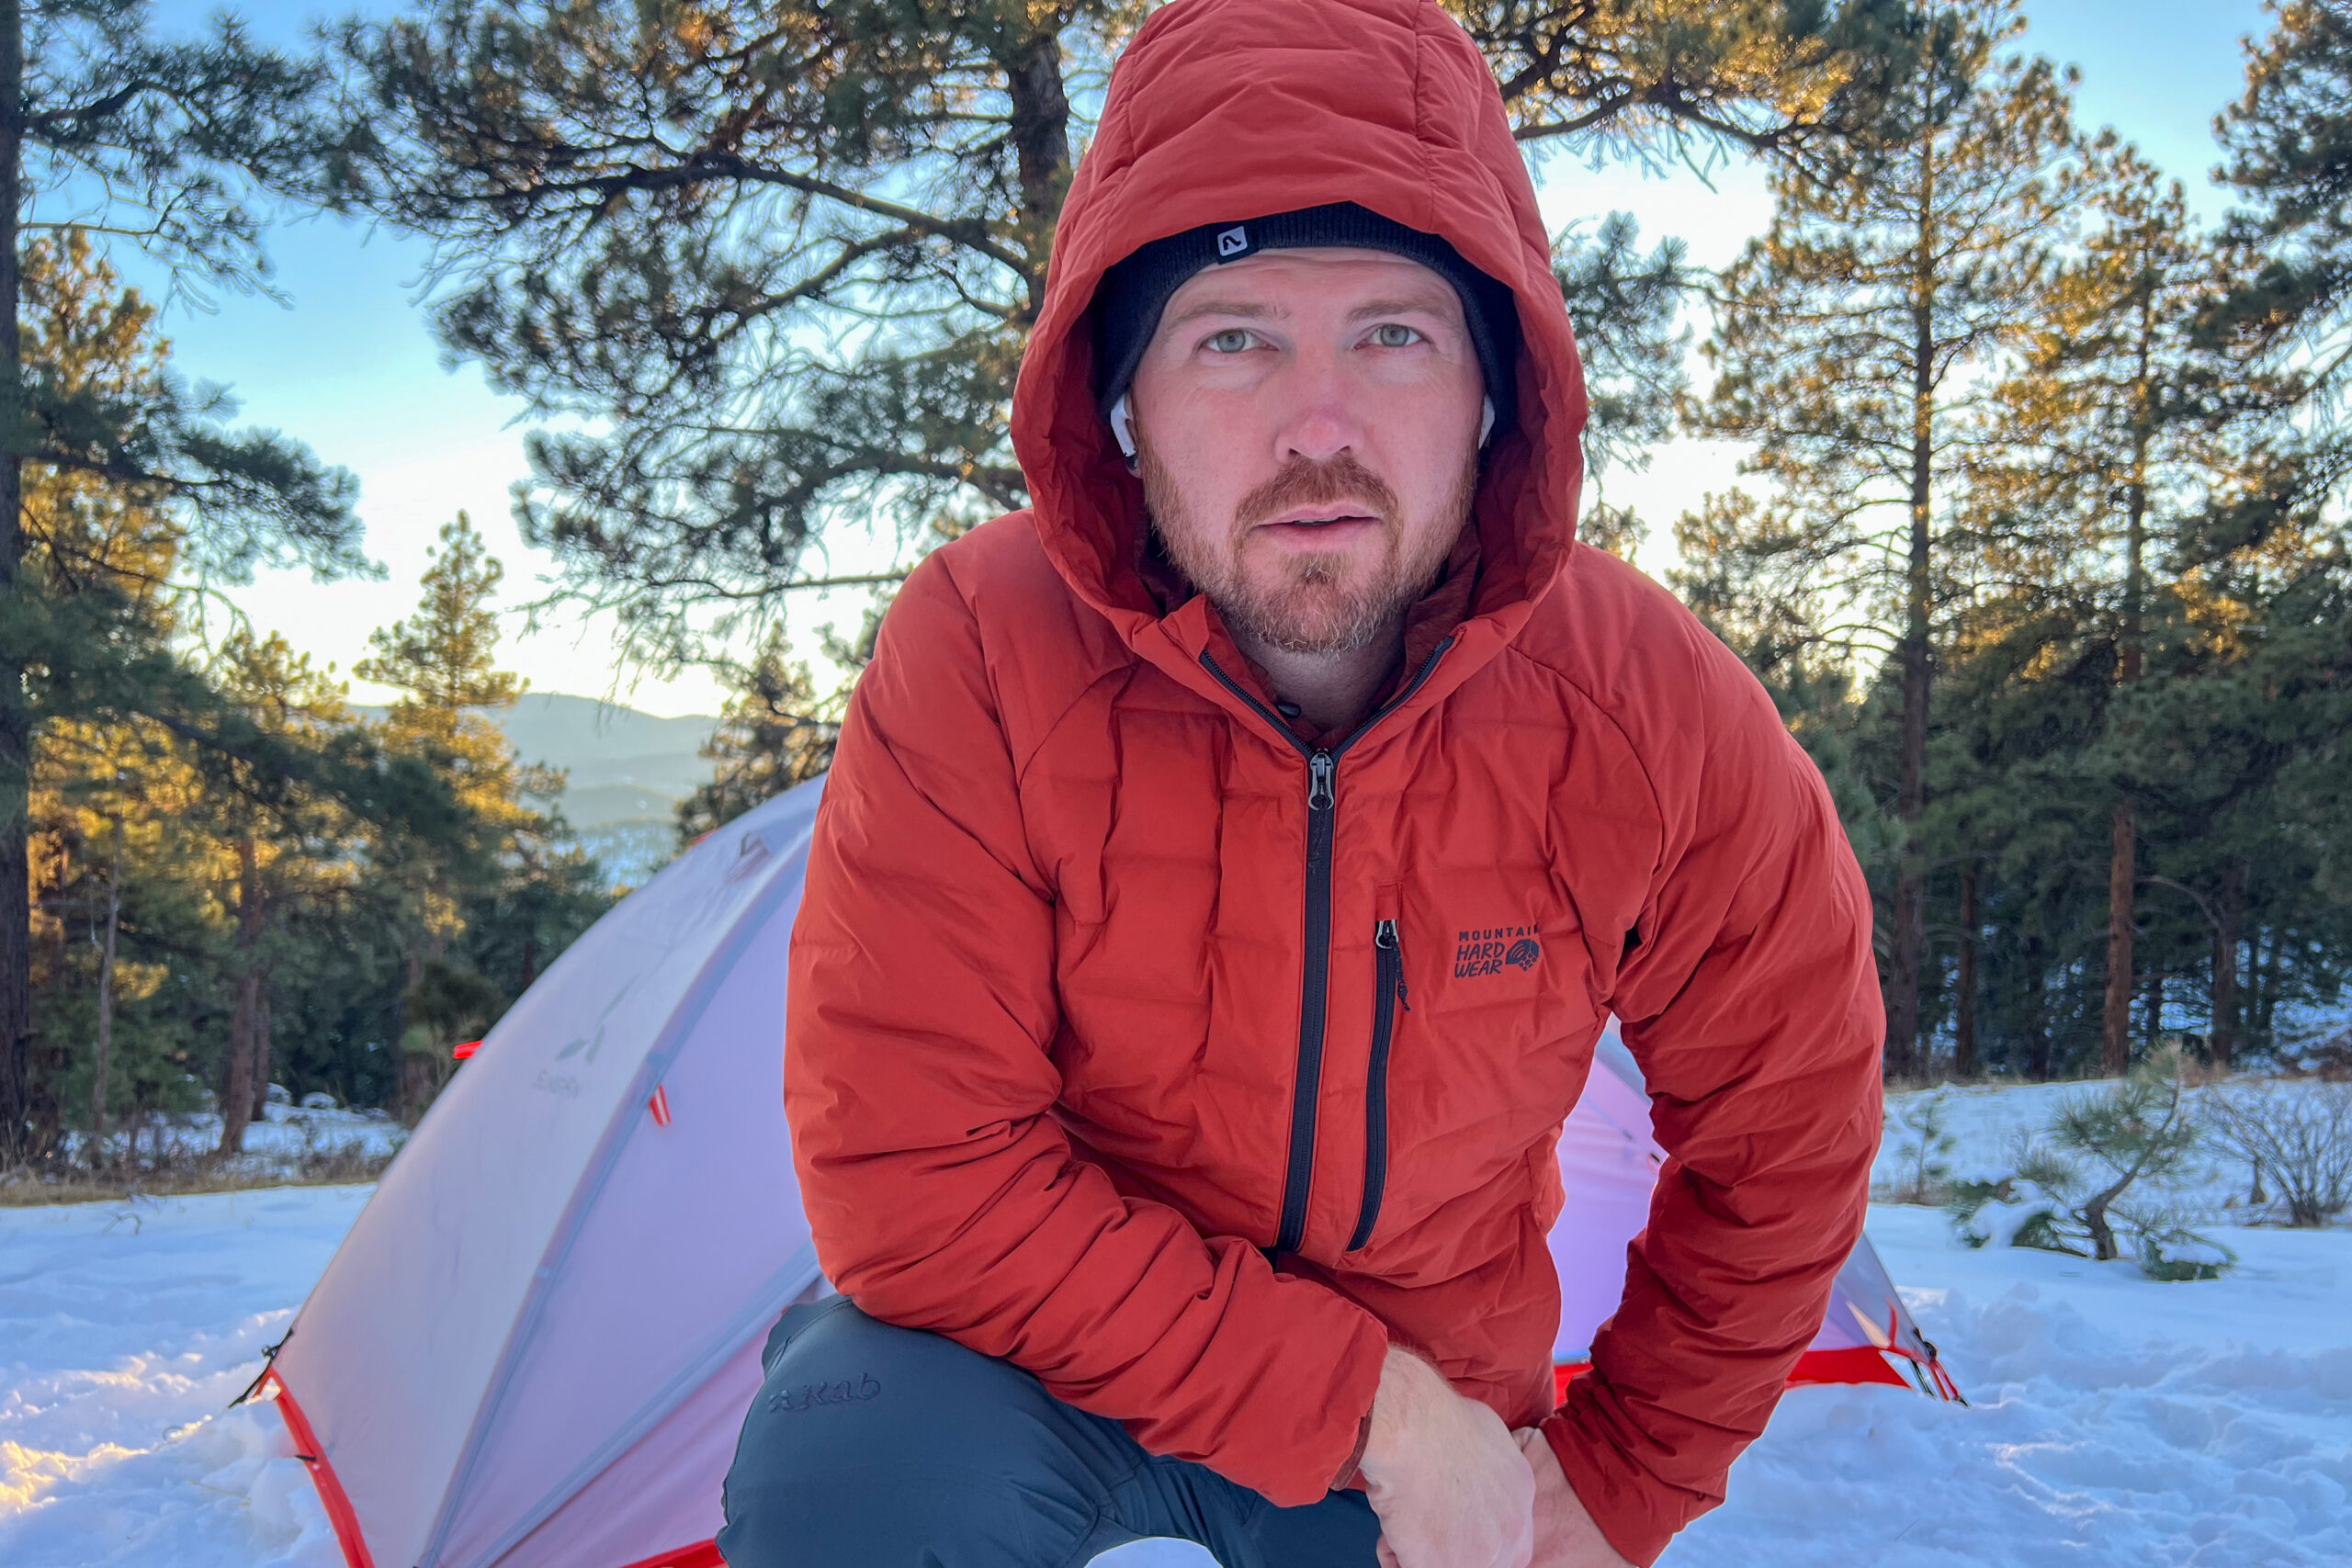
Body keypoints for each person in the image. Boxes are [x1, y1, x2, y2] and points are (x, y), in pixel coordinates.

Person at [719, 0, 1883, 1563]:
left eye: (1394, 332)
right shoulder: (985, 651)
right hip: (1038, 1366)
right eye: (1235, 338)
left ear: (1493, 393)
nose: (1317, 426)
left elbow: (1791, 1120)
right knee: (850, 1464)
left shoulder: (1642, 707)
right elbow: (916, 1166)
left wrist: (1619, 1475)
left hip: (1431, 1448)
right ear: (1125, 407)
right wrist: (1364, 1405)